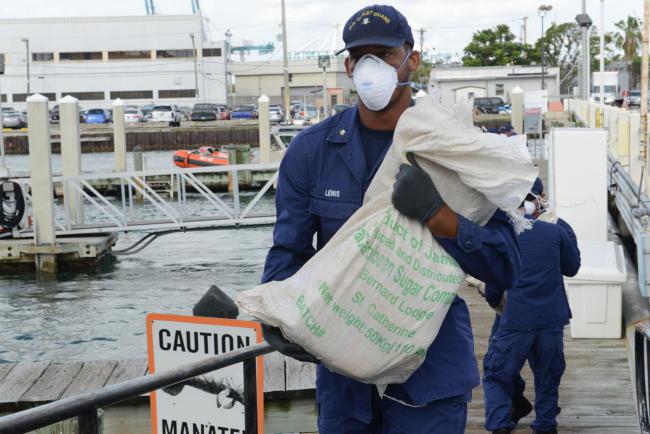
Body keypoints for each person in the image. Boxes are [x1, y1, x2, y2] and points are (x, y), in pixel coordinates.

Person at [261, 5, 524, 433]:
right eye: (360, 55)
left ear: (411, 60)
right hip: (344, 381)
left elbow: (506, 266)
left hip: (431, 378)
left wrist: (440, 218)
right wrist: (280, 313)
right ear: (347, 66)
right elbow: (287, 253)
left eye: (383, 54)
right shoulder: (310, 152)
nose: (371, 67)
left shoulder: (456, 149)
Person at [483, 178, 581, 434]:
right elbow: (572, 268)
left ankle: (500, 425)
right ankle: (546, 425)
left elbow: (494, 281)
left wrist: (495, 301)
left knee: (497, 373)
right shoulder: (557, 229)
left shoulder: (504, 233)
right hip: (551, 319)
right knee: (548, 376)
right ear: (540, 199)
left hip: (515, 318)